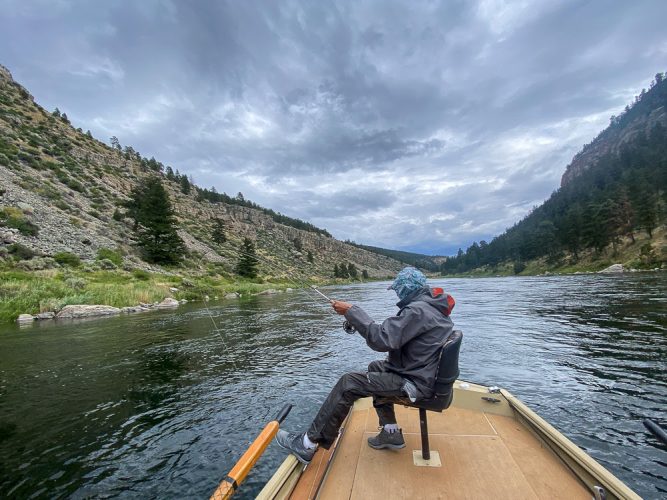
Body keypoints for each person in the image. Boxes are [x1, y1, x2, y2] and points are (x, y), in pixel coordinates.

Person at [276, 266, 456, 464]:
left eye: (398, 289)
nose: (396, 293)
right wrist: (356, 318)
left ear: (406, 289)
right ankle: (390, 432)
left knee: (349, 383)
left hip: (416, 383)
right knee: (376, 367)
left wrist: (351, 311)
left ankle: (307, 444)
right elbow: (394, 334)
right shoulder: (431, 308)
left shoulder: (417, 310)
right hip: (425, 375)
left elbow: (381, 339)